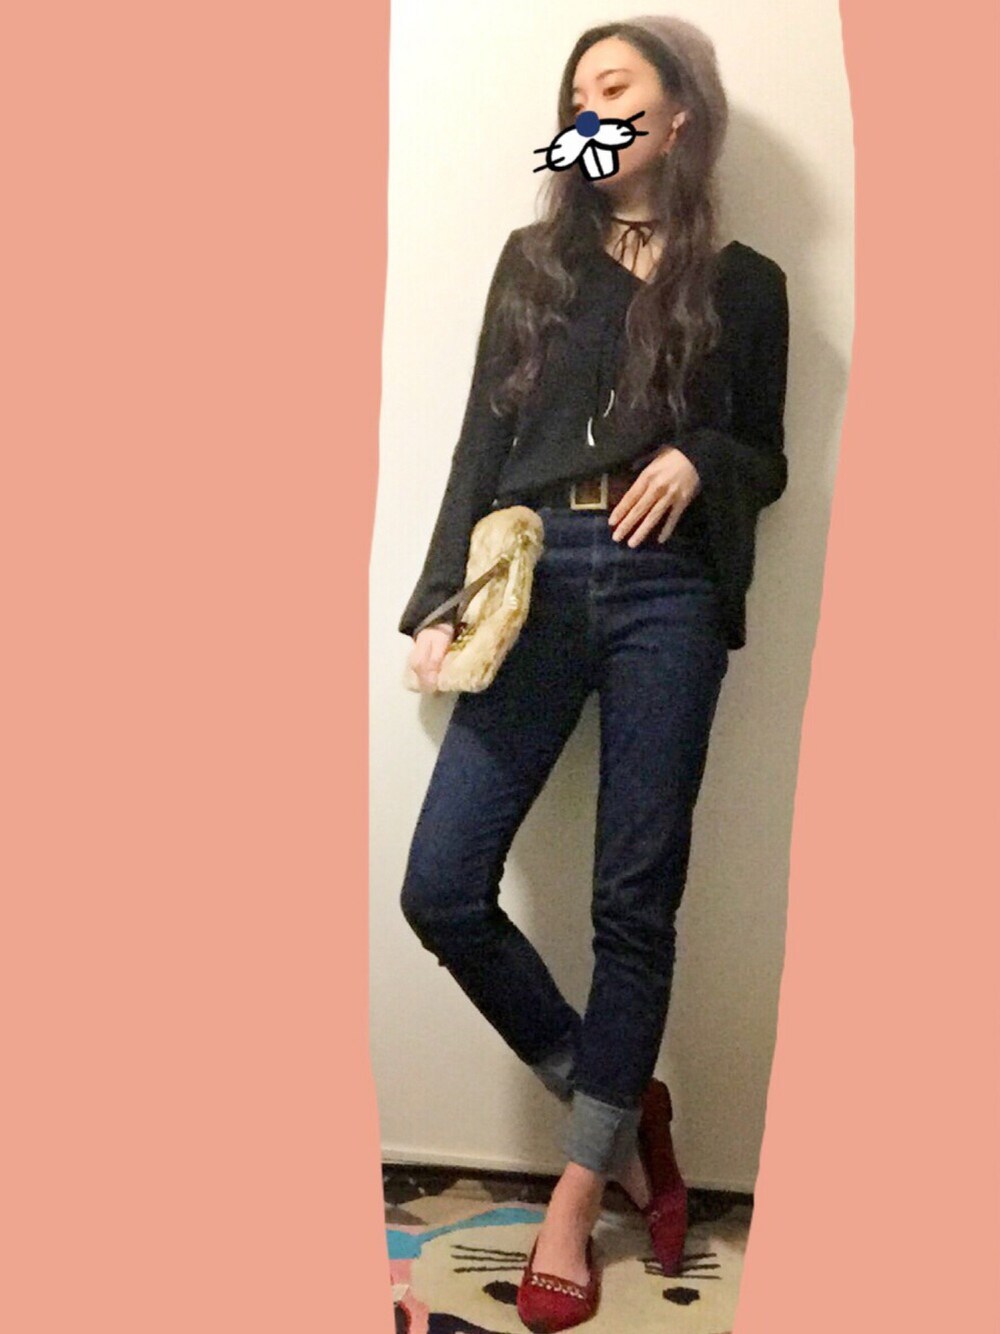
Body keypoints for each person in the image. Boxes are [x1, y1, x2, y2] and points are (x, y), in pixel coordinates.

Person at [396, 16, 790, 1331]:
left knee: (635, 897)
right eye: (576, 97)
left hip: (668, 587)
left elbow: (767, 456)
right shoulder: (538, 264)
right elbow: (478, 439)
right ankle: (614, 1106)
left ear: (680, 115)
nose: (592, 110)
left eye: (616, 88)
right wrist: (435, 601)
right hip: (534, 573)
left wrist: (700, 456)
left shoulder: (746, 284)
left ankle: (574, 1194)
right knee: (442, 885)